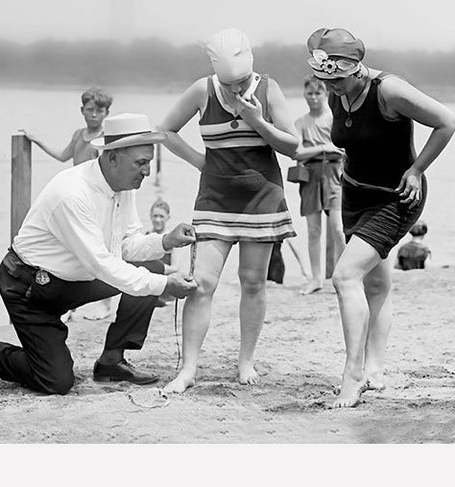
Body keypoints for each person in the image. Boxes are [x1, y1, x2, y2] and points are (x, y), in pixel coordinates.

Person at [0, 113, 198, 395]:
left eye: (149, 162)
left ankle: (111, 362)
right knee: (56, 382)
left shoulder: (123, 184)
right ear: (112, 157)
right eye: (141, 163)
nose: (147, 171)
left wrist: (166, 241)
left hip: (75, 280)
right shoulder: (72, 194)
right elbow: (103, 264)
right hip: (30, 288)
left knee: (151, 269)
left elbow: (126, 245)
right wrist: (166, 285)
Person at [306, 27, 455, 408]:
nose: (331, 87)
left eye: (337, 79)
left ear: (356, 69)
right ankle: (375, 368)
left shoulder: (389, 90)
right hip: (354, 194)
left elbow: (446, 121)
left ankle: (352, 374)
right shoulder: (338, 90)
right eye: (326, 80)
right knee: (375, 284)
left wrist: (417, 169)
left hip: (397, 198)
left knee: (344, 276)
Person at [157, 28, 299, 393]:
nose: (236, 90)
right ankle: (188, 369)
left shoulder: (269, 89)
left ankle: (245, 360)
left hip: (262, 201)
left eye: (241, 82)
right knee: (201, 285)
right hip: (215, 202)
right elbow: (166, 131)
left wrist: (257, 121)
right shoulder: (202, 90)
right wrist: (201, 162)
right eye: (229, 83)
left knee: (253, 283)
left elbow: (293, 147)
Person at [21, 87, 115, 322]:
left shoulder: (105, 139)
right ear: (82, 110)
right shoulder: (78, 134)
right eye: (90, 110)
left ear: (106, 113)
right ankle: (69, 305)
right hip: (76, 198)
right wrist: (37, 140)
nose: (94, 115)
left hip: (96, 199)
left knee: (100, 248)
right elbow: (63, 156)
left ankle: (105, 304)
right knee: (71, 250)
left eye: (99, 111)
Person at [293, 75, 346, 295]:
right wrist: (324, 148)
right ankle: (316, 278)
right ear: (304, 95)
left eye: (318, 93)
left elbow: (344, 149)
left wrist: (328, 150)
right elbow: (296, 152)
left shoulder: (334, 119)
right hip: (310, 175)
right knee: (313, 230)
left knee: (338, 228)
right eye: (310, 93)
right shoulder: (300, 123)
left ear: (325, 94)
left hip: (335, 174)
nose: (313, 98)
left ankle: (343, 275)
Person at [147, 198, 179, 306]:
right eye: (155, 216)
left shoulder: (173, 239)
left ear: (168, 218)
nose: (157, 220)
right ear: (150, 216)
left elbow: (175, 268)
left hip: (164, 286)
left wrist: (154, 267)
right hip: (148, 283)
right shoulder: (145, 237)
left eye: (161, 216)